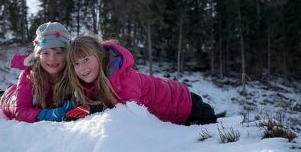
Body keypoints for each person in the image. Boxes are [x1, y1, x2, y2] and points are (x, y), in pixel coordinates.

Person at [63, 35, 223, 125]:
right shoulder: (92, 84)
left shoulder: (123, 78)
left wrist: (93, 110)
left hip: (186, 104)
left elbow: (128, 112)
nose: (82, 68)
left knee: (214, 132)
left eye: (86, 60)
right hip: (175, 110)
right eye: (76, 64)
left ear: (99, 56)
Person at [0, 22, 75, 122]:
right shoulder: (30, 75)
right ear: (38, 55)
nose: (52, 58)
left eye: (59, 53)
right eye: (46, 53)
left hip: (19, 92)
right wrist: (46, 114)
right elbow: (20, 111)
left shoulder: (73, 73)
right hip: (10, 100)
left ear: (67, 54)